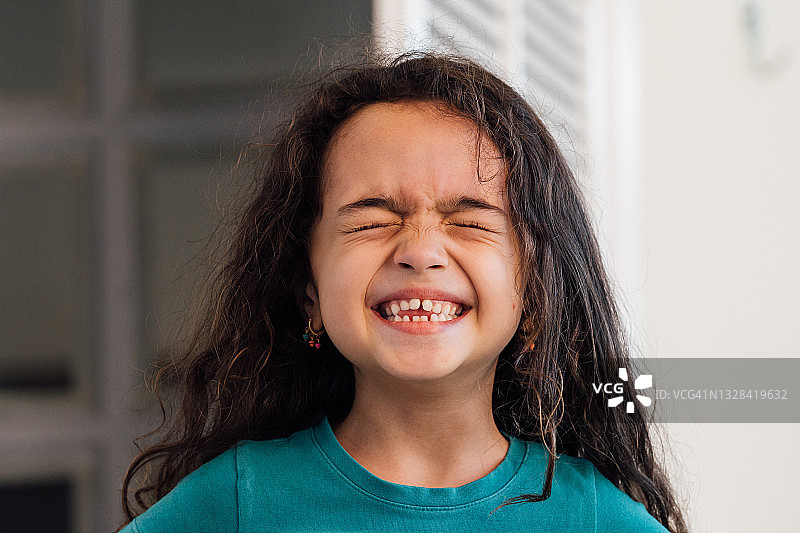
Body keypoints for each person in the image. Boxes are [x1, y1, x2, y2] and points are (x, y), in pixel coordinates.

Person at [119, 51, 686, 532]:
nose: (421, 250)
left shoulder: (591, 517)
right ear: (308, 293)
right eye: (371, 220)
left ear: (535, 293)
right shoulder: (236, 503)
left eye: (472, 221)